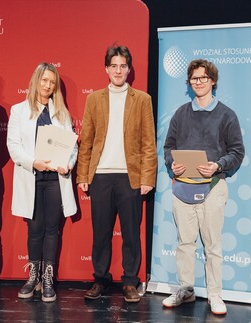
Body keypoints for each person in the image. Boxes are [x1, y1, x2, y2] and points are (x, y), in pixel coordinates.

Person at [161, 59, 244, 315]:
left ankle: (215, 295)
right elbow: (168, 148)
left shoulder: (227, 115)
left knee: (212, 245)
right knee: (185, 243)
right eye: (194, 79)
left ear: (213, 81)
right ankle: (185, 289)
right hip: (182, 188)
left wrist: (218, 165)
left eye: (203, 78)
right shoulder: (180, 114)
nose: (199, 82)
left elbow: (237, 152)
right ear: (189, 83)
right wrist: (172, 163)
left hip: (213, 186)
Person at [77, 45, 157, 303]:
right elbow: (86, 139)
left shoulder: (142, 99)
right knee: (101, 232)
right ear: (106, 69)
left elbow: (148, 143)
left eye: (123, 66)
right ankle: (100, 279)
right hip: (100, 175)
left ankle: (131, 282)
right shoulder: (94, 99)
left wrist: (147, 178)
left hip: (130, 177)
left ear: (129, 69)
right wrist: (82, 175)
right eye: (114, 66)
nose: (118, 70)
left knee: (131, 233)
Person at [7, 63, 77, 303]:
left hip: (55, 180)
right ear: (36, 80)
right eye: (44, 80)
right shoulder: (18, 110)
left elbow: (72, 146)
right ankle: (33, 277)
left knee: (51, 229)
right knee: (34, 229)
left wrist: (68, 163)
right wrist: (33, 162)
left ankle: (48, 278)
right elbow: (13, 146)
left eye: (52, 82)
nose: (48, 86)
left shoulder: (61, 112)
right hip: (32, 177)